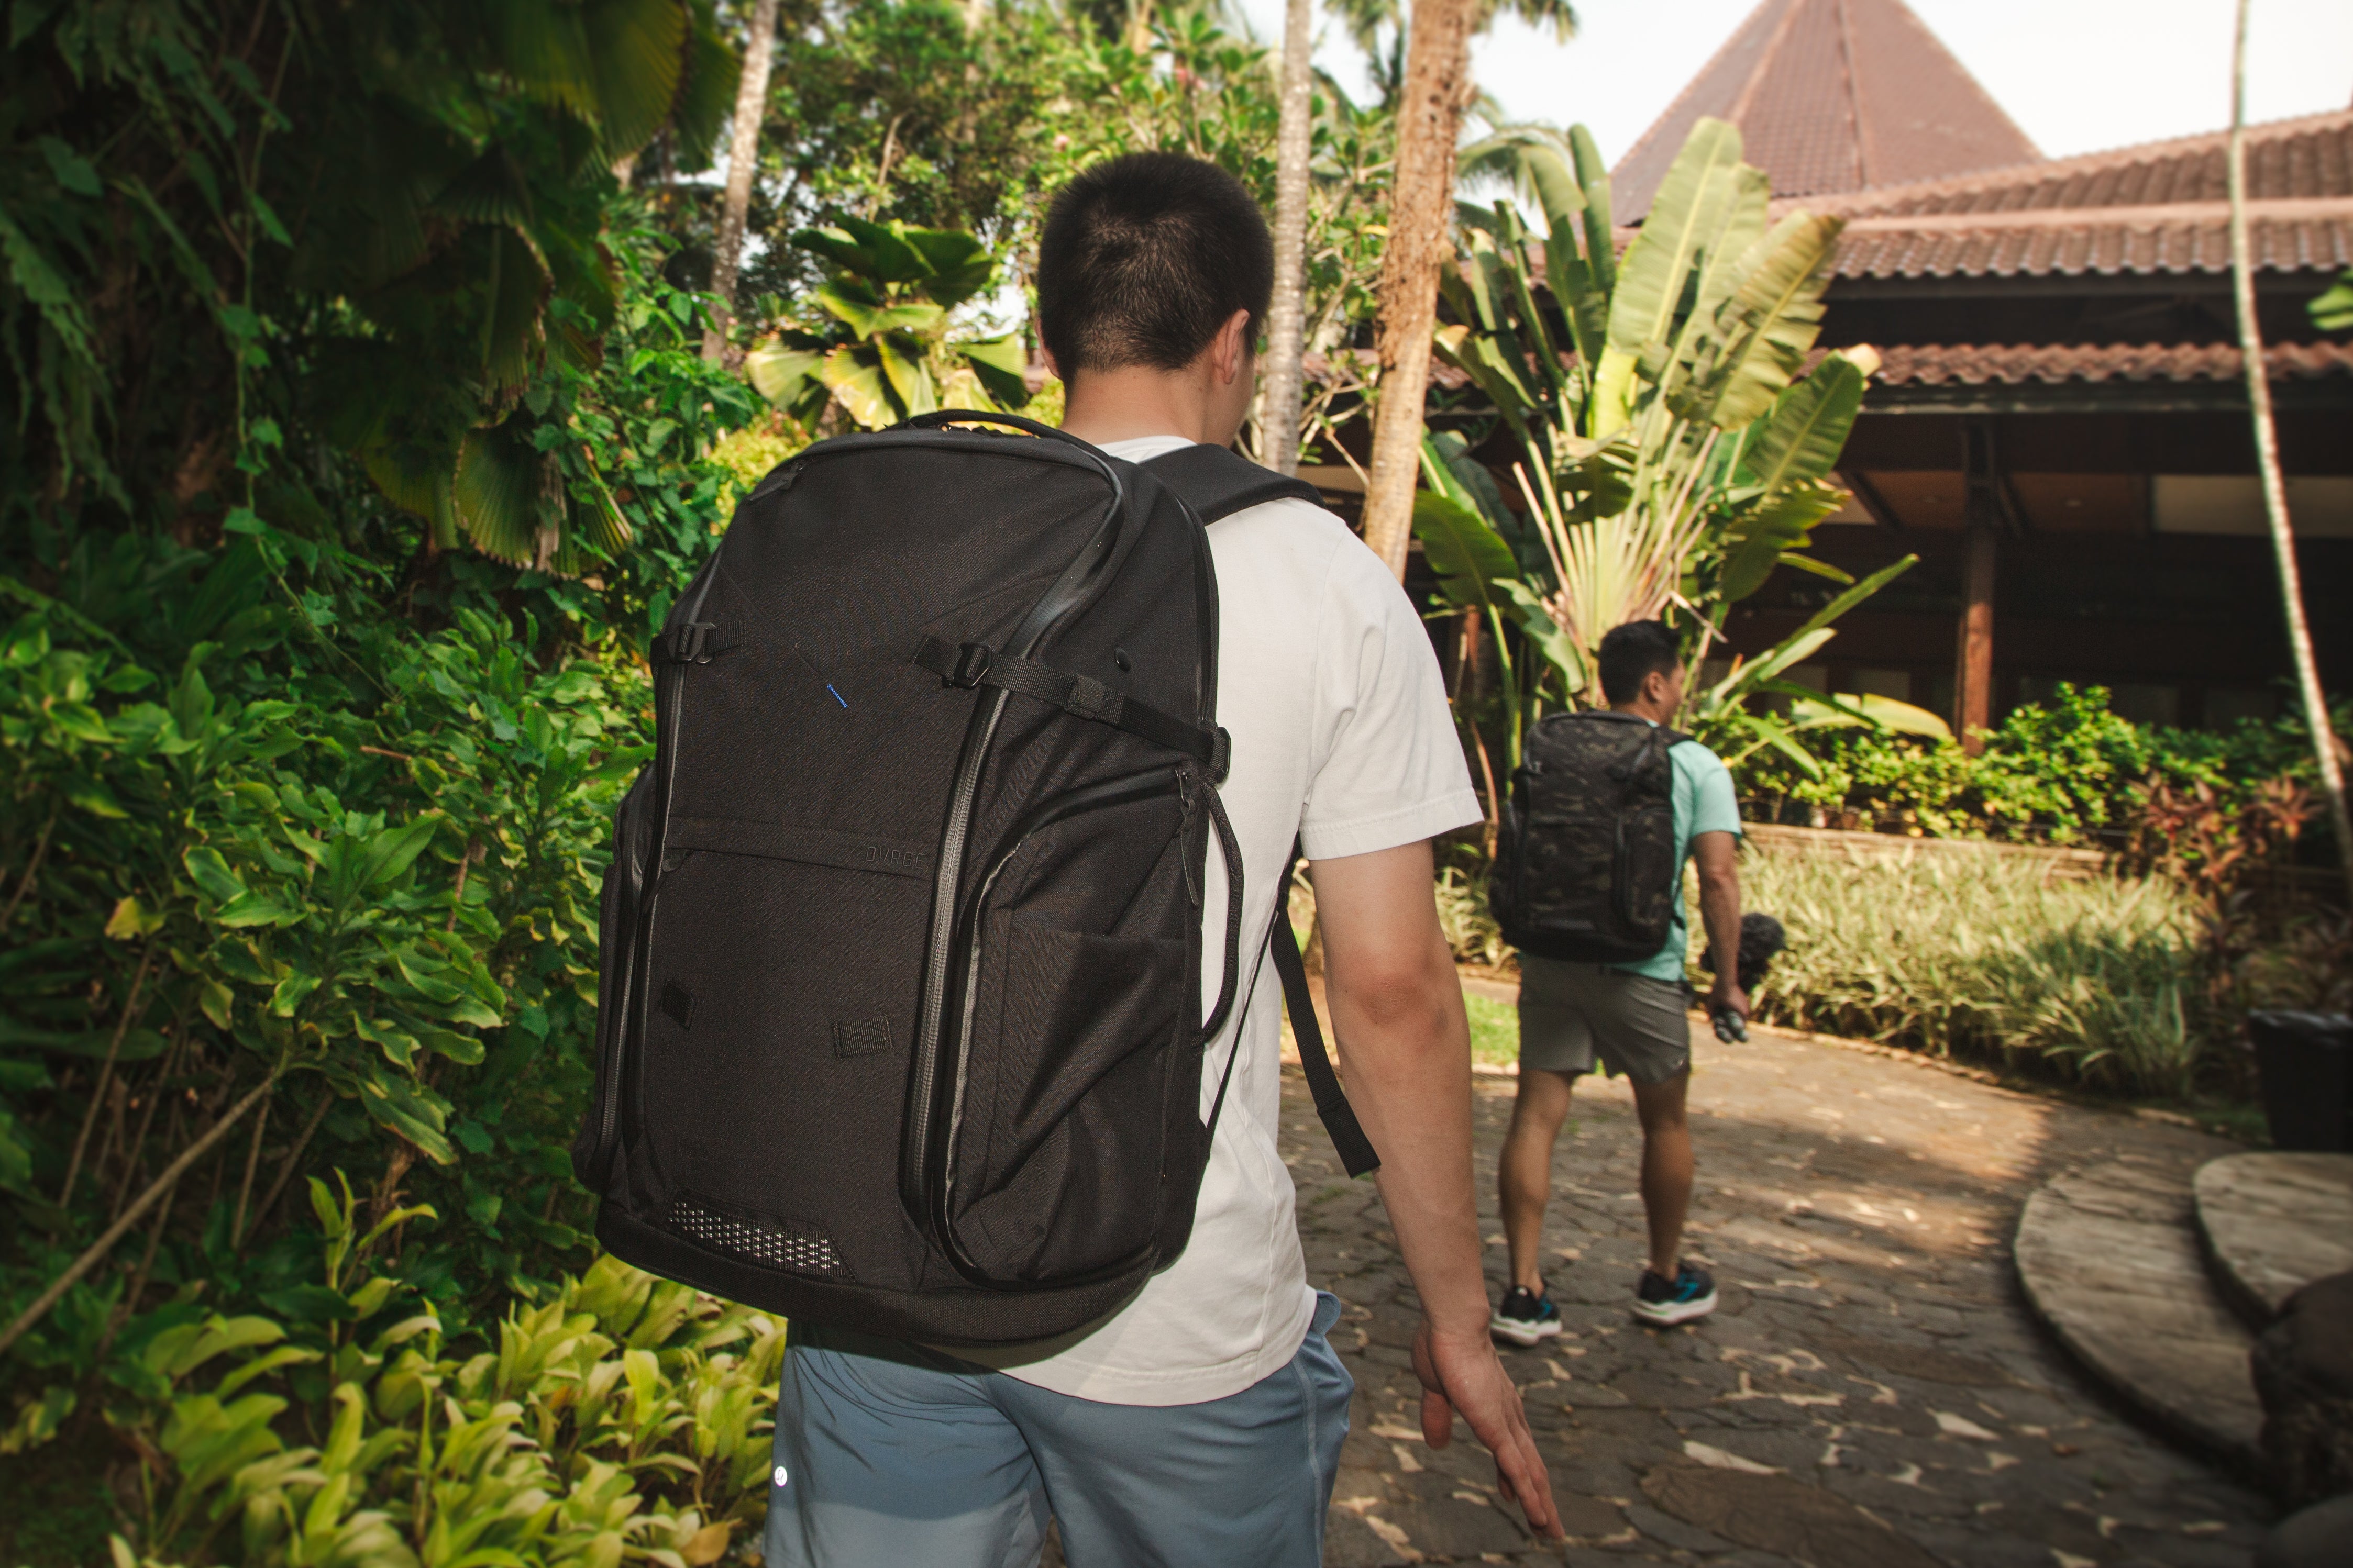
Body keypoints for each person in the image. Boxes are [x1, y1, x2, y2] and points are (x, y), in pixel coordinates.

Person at [762, 151, 1562, 1566]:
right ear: (1237, 341)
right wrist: (1455, 1316)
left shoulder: (903, 539)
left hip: (878, 1275)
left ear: (1039, 326)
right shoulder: (1323, 583)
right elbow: (1384, 990)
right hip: (1165, 1308)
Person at [1490, 620, 1748, 1343]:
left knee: (1535, 1116)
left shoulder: (1553, 744)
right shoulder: (1693, 763)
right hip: (1643, 969)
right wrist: (1728, 982)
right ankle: (1664, 1280)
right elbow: (1719, 878)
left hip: (1550, 958)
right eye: (1677, 682)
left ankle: (1522, 1292)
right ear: (1655, 683)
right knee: (1663, 1120)